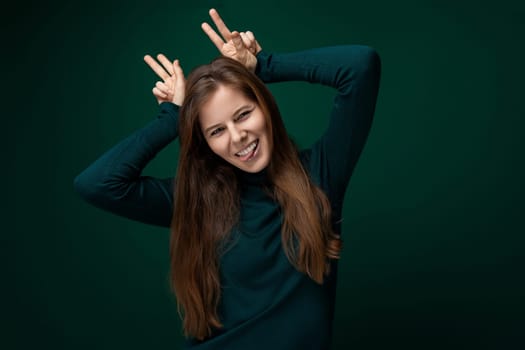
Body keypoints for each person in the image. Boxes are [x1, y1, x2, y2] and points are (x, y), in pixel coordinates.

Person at [74, 8, 381, 350]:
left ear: (264, 107)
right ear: (205, 143)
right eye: (217, 130)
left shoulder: (319, 175)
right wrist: (173, 116)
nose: (237, 137)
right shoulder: (197, 202)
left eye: (244, 114)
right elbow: (96, 183)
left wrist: (263, 66)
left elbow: (360, 66)